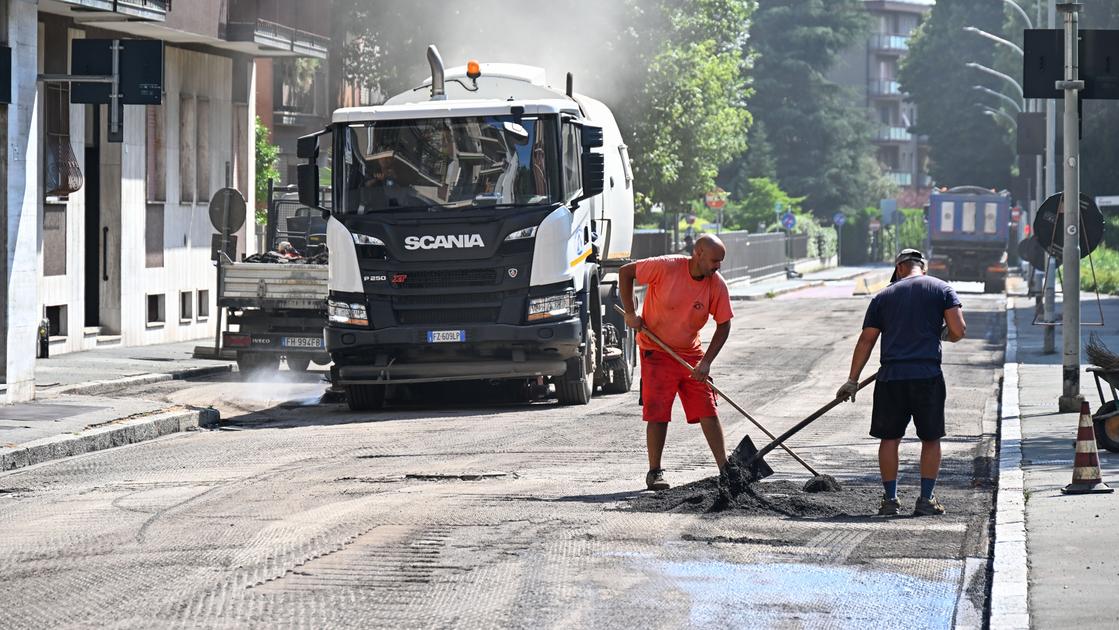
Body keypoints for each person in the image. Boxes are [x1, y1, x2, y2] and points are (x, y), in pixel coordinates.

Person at [837, 248, 967, 516]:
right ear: (924, 268)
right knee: (930, 439)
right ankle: (926, 500)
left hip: (891, 378)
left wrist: (853, 380)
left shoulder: (883, 296)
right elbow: (958, 330)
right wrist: (941, 335)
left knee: (890, 438)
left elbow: (867, 340)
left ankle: (890, 500)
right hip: (927, 376)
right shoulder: (942, 289)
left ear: (899, 268)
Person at [619, 234, 734, 491]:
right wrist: (630, 312)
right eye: (715, 260)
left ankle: (726, 469)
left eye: (721, 262)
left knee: (707, 408)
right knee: (658, 412)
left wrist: (706, 362)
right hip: (656, 350)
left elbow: (724, 325)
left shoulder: (716, 285)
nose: (718, 266)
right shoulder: (666, 266)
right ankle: (654, 472)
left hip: (690, 355)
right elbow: (626, 272)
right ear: (699, 253)